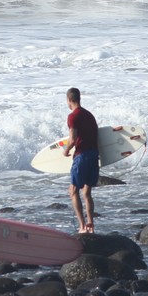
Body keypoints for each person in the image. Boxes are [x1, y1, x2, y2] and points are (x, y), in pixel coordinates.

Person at [63, 87, 99, 233]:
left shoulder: (73, 116)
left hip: (82, 156)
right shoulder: (89, 115)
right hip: (93, 154)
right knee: (87, 192)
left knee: (73, 190)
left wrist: (66, 150)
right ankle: (91, 224)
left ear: (69, 100)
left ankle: (82, 226)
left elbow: (72, 139)